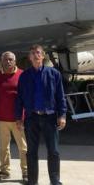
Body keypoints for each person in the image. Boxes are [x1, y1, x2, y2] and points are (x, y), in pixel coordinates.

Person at [15, 44, 67, 185]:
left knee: (54, 151)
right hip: (31, 118)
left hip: (50, 117)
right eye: (33, 53)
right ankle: (32, 181)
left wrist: (62, 115)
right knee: (31, 152)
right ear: (30, 57)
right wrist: (19, 117)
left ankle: (55, 180)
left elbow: (60, 96)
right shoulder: (24, 76)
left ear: (43, 55)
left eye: (38, 52)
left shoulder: (54, 74)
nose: (36, 55)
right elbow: (19, 98)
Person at [0, 51, 27, 182]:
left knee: (23, 147)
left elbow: (26, 97)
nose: (8, 62)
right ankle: (5, 171)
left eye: (10, 59)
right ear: (1, 61)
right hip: (1, 119)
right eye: (5, 60)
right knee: (3, 148)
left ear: (15, 61)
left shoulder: (22, 75)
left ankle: (26, 171)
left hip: (19, 119)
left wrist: (23, 117)